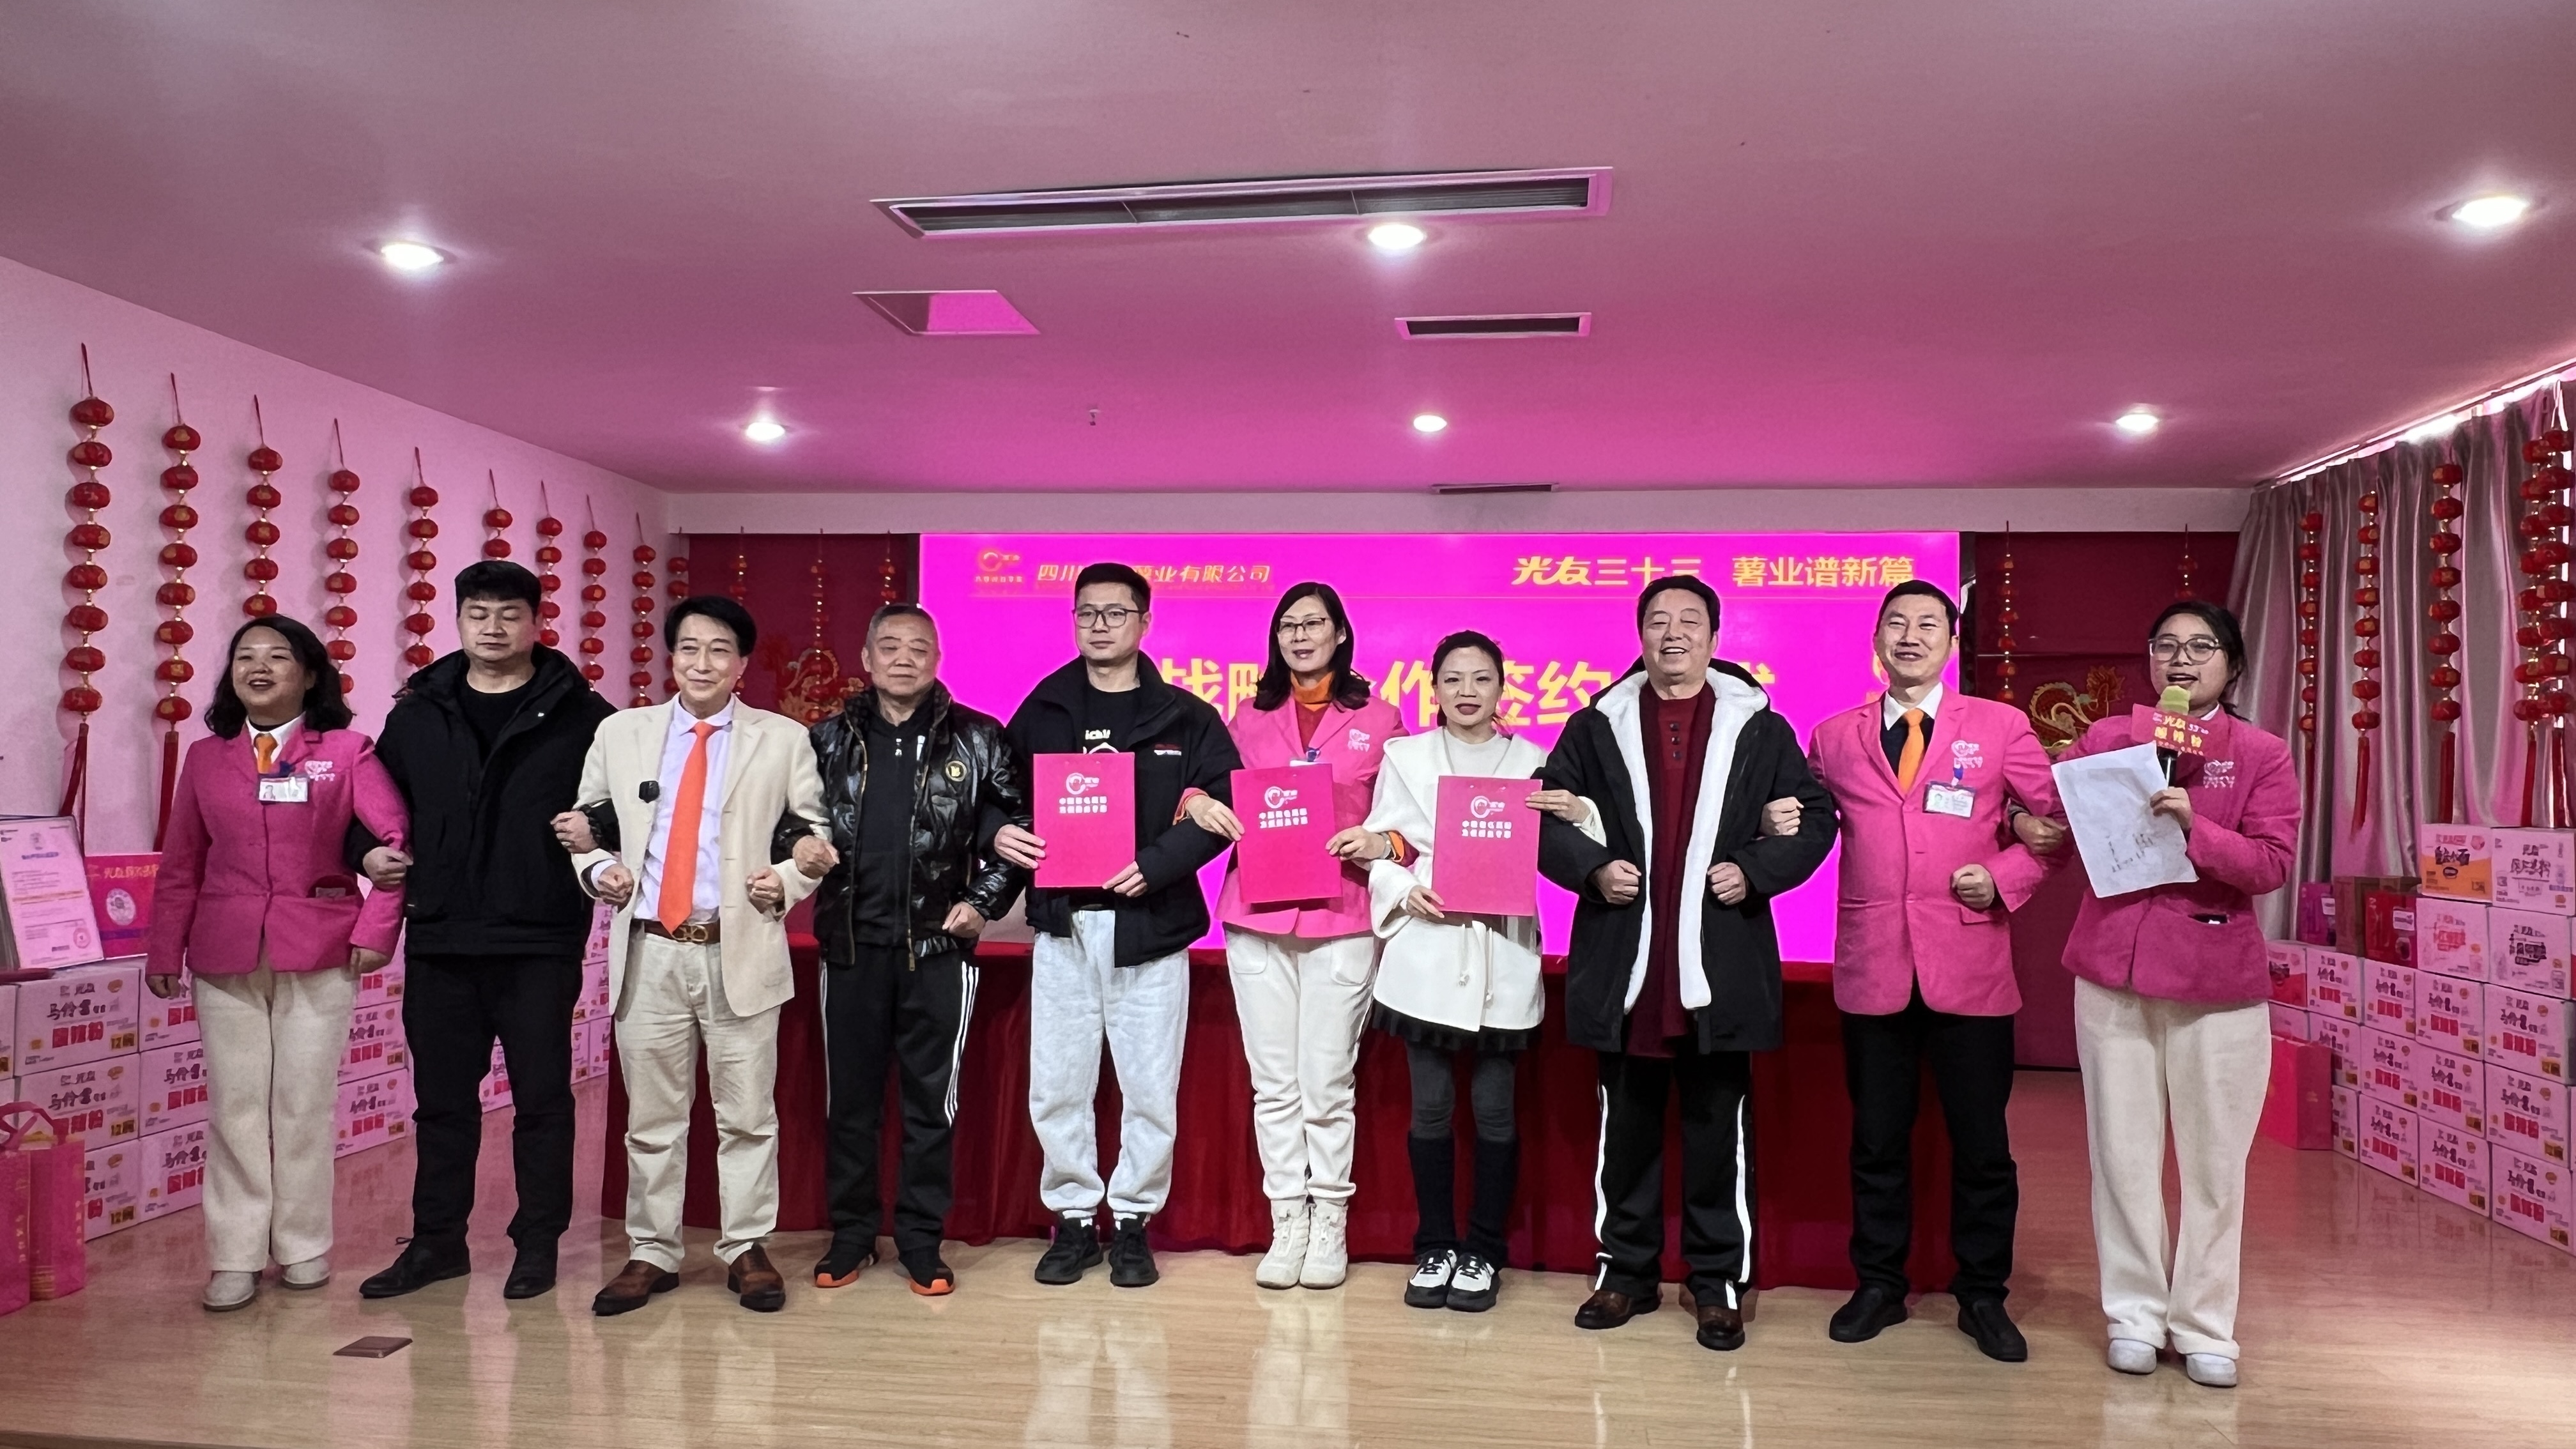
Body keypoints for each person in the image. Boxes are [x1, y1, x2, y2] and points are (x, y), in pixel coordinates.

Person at [1537, 576, 1837, 1351]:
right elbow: (1543, 813)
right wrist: (1593, 869)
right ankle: (1625, 1273)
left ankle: (1717, 1282)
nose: (1673, 634)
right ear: (1639, 635)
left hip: (1718, 961)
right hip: (1627, 962)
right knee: (1626, 1132)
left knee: (1716, 1134)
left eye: (1690, 621)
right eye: (1659, 621)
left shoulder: (1758, 726)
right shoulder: (1596, 725)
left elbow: (1816, 818)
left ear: (1714, 637)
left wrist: (1756, 870)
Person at [1798, 579, 2064, 1362]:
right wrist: (1780, 820)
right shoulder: (1833, 735)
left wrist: (2005, 878)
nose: (1909, 636)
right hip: (1874, 964)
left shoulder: (2000, 726)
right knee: (1877, 1140)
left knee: (1982, 1145)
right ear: (1877, 640)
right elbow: (1807, 821)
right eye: (1896, 623)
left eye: (1927, 624)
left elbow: (2056, 829)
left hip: (1970, 964)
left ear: (1952, 641)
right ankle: (1879, 1284)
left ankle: (1983, 1294)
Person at [349, 561, 618, 1303]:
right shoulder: (418, 713)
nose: (493, 627)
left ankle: (538, 1243)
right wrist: (364, 854)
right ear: (460, 620)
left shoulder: (585, 716)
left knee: (541, 1100)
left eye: (509, 614)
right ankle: (437, 1243)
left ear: (537, 623)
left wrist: (597, 828)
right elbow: (370, 807)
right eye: (478, 613)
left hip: (538, 937)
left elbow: (634, 804)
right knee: (441, 1103)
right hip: (442, 934)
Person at [562, 595, 832, 1315]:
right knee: (653, 1119)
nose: (702, 663)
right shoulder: (622, 733)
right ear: (671, 657)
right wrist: (598, 870)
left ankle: (746, 1246)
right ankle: (652, 1251)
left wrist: (787, 880)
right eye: (689, 648)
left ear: (742, 665)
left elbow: (812, 833)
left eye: (719, 650)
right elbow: (588, 827)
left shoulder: (782, 739)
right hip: (649, 948)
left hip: (736, 945)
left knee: (747, 1116)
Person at [2057, 601, 2297, 1389]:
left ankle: (2204, 1325)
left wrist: (2198, 827)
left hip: (2216, 983)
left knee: (2215, 1164)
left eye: (2201, 647)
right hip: (2113, 972)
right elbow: (2057, 820)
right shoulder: (2109, 740)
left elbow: (2271, 864)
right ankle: (2133, 1315)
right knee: (2121, 1157)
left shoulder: (2260, 753)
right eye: (2166, 646)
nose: (2182, 661)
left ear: (2233, 665)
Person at [146, 616, 409, 1312]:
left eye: (277, 657)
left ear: (310, 674)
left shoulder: (346, 752)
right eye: (245, 657)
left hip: (318, 948)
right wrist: (164, 947)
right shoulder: (206, 758)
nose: (258, 668)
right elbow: (181, 863)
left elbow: (395, 845)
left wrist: (377, 931)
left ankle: (302, 1244)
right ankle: (233, 1254)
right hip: (223, 949)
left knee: (302, 1104)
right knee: (234, 1107)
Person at [993, 562, 1241, 1289]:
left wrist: (1159, 865)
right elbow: (999, 796)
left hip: (1151, 926)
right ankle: (1073, 1218)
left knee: (1150, 1085)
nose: (1100, 625)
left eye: (1115, 613)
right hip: (1063, 926)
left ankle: (1133, 1220)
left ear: (1144, 622)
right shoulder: (1043, 708)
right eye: (1087, 613)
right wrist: (995, 832)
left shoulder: (1186, 716)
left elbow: (1226, 805)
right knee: (1058, 1083)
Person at [794, 602, 1028, 1296]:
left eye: (918, 648)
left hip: (939, 950)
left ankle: (922, 1242)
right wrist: (797, 850)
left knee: (932, 1106)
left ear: (937, 660)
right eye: (890, 646)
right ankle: (852, 1236)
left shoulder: (979, 738)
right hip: (851, 948)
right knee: (851, 1105)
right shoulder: (824, 740)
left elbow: (1018, 830)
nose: (904, 658)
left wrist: (982, 903)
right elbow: (790, 826)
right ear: (867, 659)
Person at [1340, 630, 1559, 1314]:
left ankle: (1485, 1251)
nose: (1467, 691)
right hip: (1427, 954)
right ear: (1433, 688)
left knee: (1495, 1112)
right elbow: (1382, 847)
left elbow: (1562, 848)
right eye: (1454, 679)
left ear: (1502, 687)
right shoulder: (1405, 757)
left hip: (1503, 956)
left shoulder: (1536, 762)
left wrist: (1579, 811)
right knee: (1430, 1109)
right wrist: (1404, 890)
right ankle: (1434, 1245)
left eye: (1482, 678)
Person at [1209, 583, 1406, 1291]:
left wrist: (1383, 842)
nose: (1299, 636)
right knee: (1274, 1085)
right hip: (1257, 915)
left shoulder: (1381, 719)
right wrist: (1194, 800)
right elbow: (1210, 788)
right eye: (1288, 625)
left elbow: (1407, 820)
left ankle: (1330, 1223)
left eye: (1313, 623)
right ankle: (1285, 1221)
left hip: (1341, 915)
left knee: (1325, 1084)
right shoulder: (1247, 716)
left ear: (1340, 633)